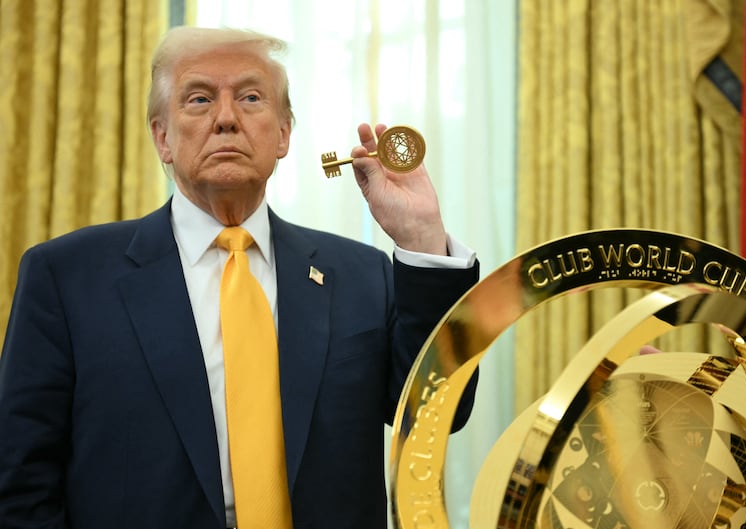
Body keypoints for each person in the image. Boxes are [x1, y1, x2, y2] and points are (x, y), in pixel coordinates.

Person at [0, 26, 478, 529]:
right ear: (162, 136)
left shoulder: (361, 274)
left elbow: (440, 413)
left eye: (250, 97)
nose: (226, 119)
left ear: (283, 134)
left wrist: (422, 236)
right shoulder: (67, 277)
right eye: (200, 99)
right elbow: (20, 479)